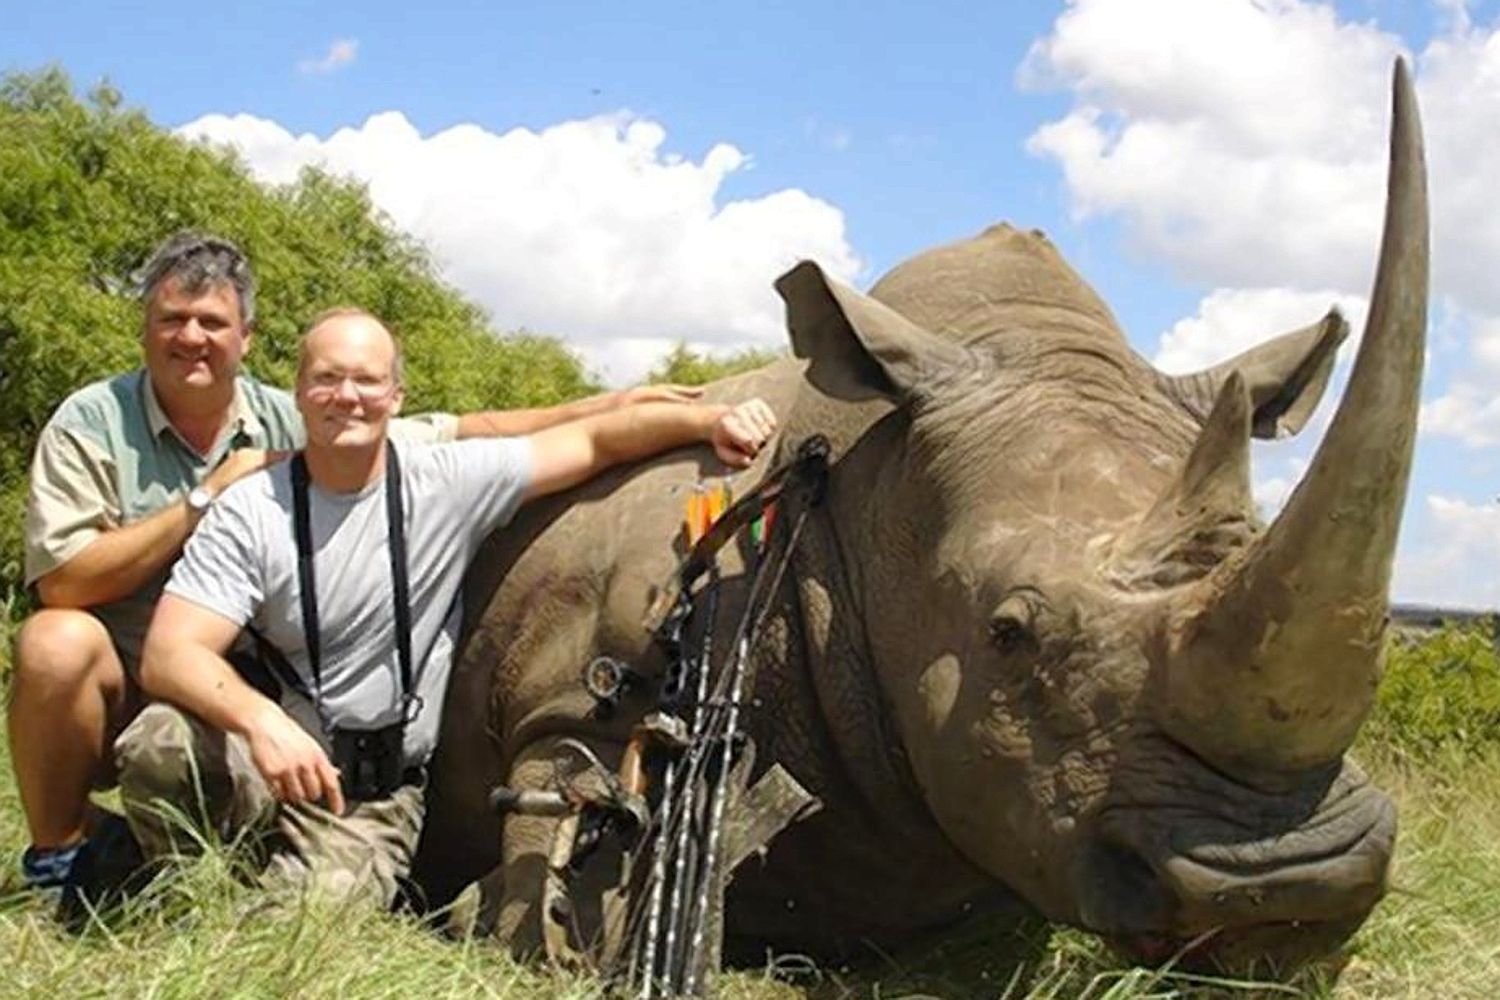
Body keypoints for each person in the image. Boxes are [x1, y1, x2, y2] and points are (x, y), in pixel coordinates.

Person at [10, 231, 700, 893]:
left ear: (245, 339)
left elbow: (460, 429)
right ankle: (62, 854)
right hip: (137, 671)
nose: (192, 337)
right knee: (54, 640)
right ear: (146, 327)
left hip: (252, 686)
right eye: (174, 318)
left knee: (297, 902)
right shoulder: (93, 421)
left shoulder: (299, 418)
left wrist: (616, 402)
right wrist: (206, 496)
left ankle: (193, 862)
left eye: (212, 322)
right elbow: (65, 582)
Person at [115, 308, 776, 906]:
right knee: (160, 741)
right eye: (327, 379)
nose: (347, 396)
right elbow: (171, 653)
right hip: (270, 756)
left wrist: (708, 419)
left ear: (396, 396)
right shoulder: (251, 506)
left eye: (367, 381)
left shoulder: (446, 482)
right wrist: (259, 721)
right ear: (299, 393)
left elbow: (600, 441)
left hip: (367, 795)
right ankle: (187, 894)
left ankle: (271, 892)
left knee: (292, 930)